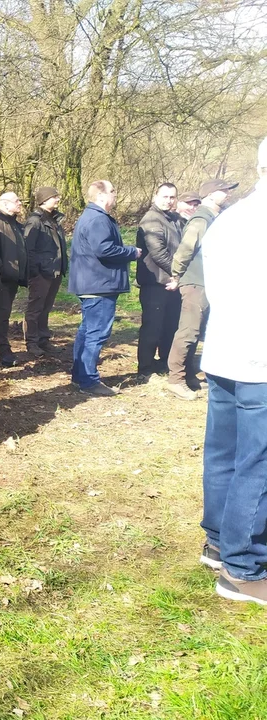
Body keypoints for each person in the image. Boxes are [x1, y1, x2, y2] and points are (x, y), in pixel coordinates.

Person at [201, 137, 267, 605]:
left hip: (225, 349)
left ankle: (221, 541)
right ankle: (243, 569)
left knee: (223, 452)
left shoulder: (228, 219)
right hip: (257, 355)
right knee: (257, 461)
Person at [166, 178, 237, 400]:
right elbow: (186, 249)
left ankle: (187, 375)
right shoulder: (201, 218)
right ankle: (175, 380)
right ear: (210, 194)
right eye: (224, 190)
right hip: (195, 282)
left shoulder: (215, 218)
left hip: (208, 281)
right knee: (189, 330)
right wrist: (176, 274)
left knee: (197, 331)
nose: (228, 193)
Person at [68, 180, 142, 396]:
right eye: (112, 191)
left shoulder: (91, 217)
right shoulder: (98, 219)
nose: (115, 194)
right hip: (99, 284)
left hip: (92, 283)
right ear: (101, 196)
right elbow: (104, 249)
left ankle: (79, 375)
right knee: (96, 333)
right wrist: (131, 252)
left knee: (87, 331)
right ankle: (89, 381)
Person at [136, 183, 182, 376]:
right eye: (165, 196)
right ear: (156, 196)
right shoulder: (152, 220)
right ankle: (145, 369)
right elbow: (159, 253)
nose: (168, 201)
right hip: (154, 282)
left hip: (169, 281)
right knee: (152, 328)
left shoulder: (173, 219)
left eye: (172, 197)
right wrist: (179, 272)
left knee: (169, 326)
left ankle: (163, 363)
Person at [23, 186, 68, 357]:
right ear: (44, 200)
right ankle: (32, 342)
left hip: (54, 271)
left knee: (46, 308)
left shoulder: (54, 219)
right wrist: (36, 271)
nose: (58, 199)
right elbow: (28, 249)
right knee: (35, 309)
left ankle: (44, 340)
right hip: (41, 273)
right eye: (54, 197)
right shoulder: (35, 221)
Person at [0, 191, 28, 367]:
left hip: (13, 279)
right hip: (1, 279)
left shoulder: (17, 226)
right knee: (2, 315)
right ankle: (4, 351)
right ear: (4, 204)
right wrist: (1, 269)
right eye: (16, 201)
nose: (20, 203)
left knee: (4, 313)